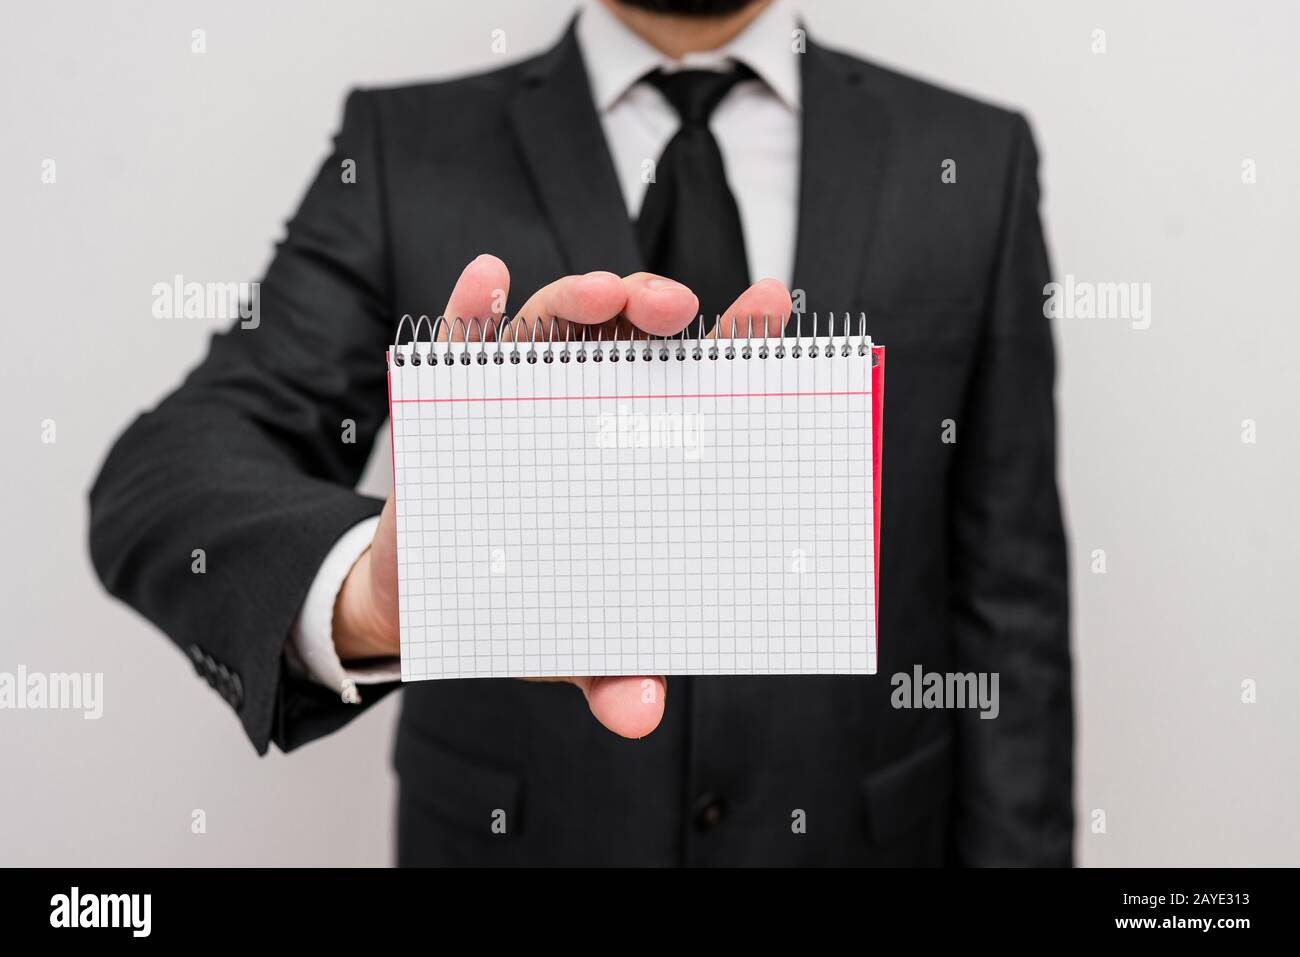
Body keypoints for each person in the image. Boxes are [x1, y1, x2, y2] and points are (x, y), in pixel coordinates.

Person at [90, 0, 1072, 865]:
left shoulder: (972, 158)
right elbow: (168, 473)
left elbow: (1009, 598)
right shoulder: (404, 147)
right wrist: (374, 595)